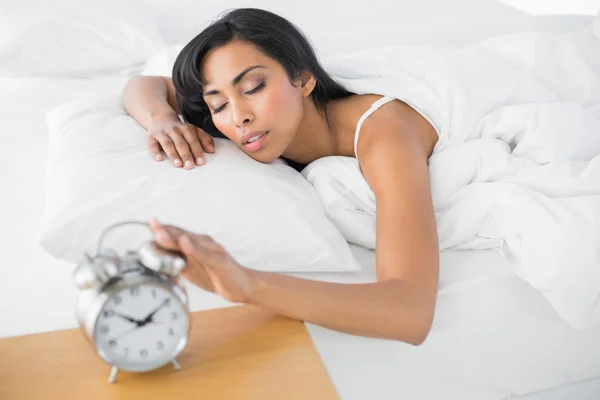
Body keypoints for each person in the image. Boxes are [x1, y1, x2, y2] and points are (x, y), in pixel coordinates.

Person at [122, 7, 439, 345]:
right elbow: (142, 85)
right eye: (218, 105)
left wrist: (247, 283)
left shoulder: (384, 135)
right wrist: (161, 119)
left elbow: (411, 313)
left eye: (253, 88)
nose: (239, 116)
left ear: (302, 79)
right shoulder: (249, 119)